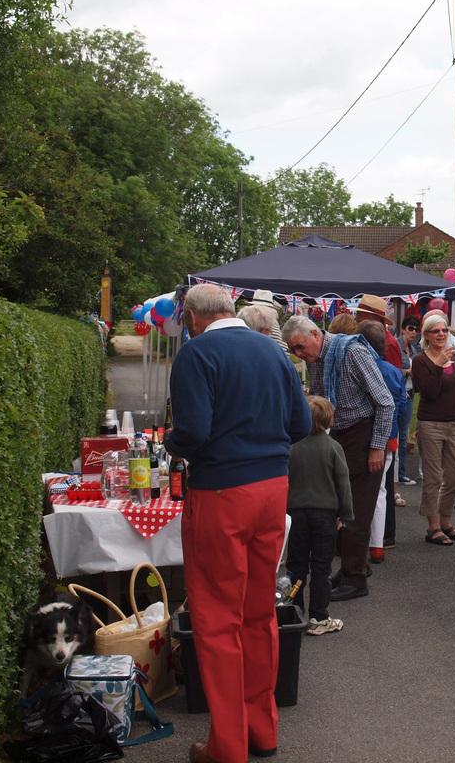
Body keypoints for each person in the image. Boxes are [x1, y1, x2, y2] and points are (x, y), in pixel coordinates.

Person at [165, 284, 311, 763]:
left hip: (222, 493)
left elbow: (193, 432)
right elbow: (301, 425)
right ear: (230, 310)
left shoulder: (196, 355)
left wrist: (172, 443)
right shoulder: (274, 353)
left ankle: (227, 745)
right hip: (272, 490)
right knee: (258, 612)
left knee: (217, 618)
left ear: (191, 317)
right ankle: (261, 730)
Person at [283, 314, 394, 602]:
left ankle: (355, 579)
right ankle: (351, 568)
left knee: (355, 512)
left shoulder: (352, 351)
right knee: (341, 509)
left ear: (315, 335)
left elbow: (385, 401)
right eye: (293, 350)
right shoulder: (316, 358)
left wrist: (377, 446)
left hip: (363, 434)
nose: (298, 354)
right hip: (339, 435)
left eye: (299, 347)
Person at [286, 396, 353, 636]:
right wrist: (344, 513)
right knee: (321, 567)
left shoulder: (291, 447)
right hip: (325, 514)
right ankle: (319, 616)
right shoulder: (333, 447)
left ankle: (294, 610)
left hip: (295, 514)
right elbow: (342, 483)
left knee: (296, 566)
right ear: (328, 420)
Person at [412, 312, 455, 546]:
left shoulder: (453, 357)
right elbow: (428, 392)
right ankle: (433, 527)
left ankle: (447, 522)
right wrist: (436, 366)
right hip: (430, 424)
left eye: (444, 330)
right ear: (426, 335)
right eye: (435, 331)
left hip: (453, 423)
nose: (441, 334)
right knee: (433, 477)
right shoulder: (420, 361)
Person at [358, 320, 407, 564]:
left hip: (366, 435)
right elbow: (400, 404)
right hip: (390, 437)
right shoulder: (394, 371)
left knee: (361, 490)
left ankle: (361, 541)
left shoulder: (361, 367)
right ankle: (377, 544)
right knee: (380, 490)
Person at [396, 316, 421, 490]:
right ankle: (396, 472)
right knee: (395, 434)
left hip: (409, 394)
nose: (413, 332)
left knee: (404, 434)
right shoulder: (395, 346)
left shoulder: (414, 349)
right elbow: (390, 369)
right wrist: (406, 372)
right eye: (411, 328)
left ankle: (401, 472)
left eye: (416, 329)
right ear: (403, 329)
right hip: (398, 393)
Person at [355, 293, 404, 370]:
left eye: (361, 315)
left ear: (375, 319)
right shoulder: (367, 337)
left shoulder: (389, 343)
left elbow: (394, 374)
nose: (356, 319)